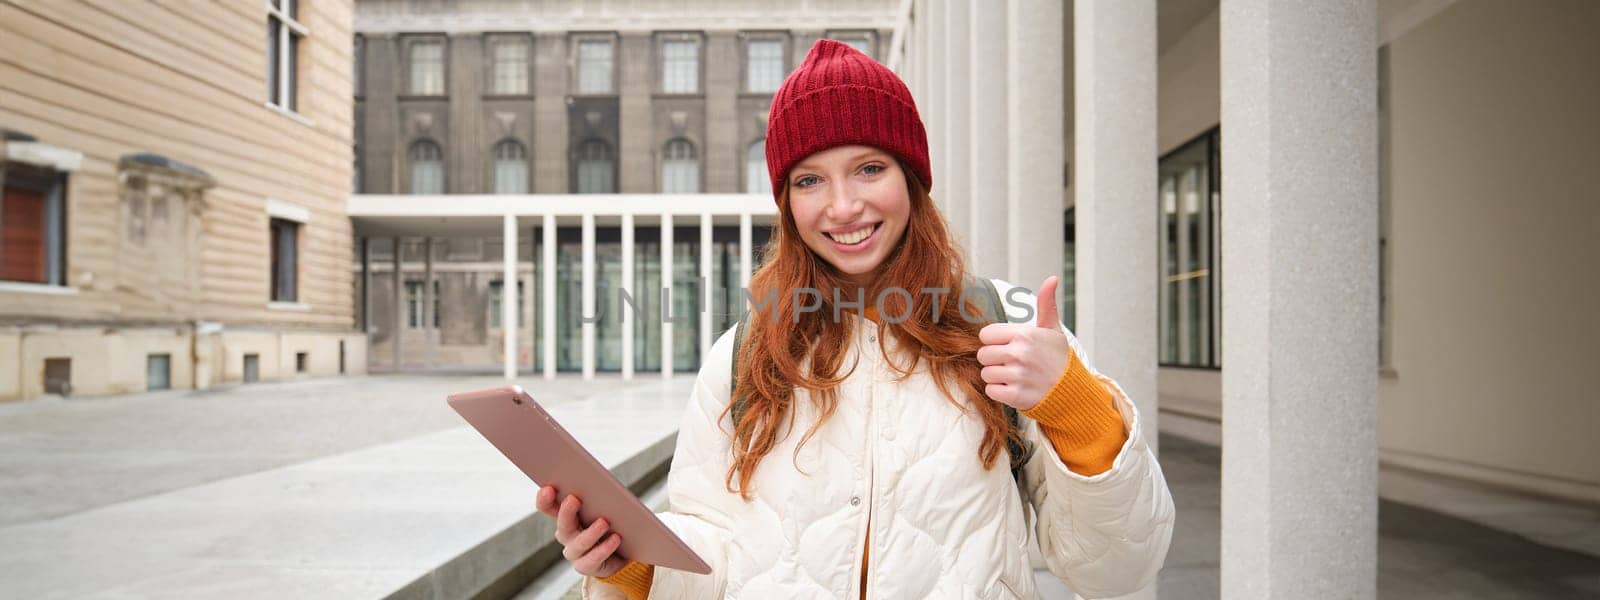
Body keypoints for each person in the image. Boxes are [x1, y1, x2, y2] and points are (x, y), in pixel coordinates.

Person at [535, 39, 1174, 599]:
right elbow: (715, 559)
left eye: (870, 168)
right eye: (809, 180)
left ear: (912, 179)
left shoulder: (1005, 332)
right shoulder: (744, 353)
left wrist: (1076, 409)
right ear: (786, 203)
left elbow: (1118, 570)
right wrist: (631, 569)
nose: (842, 207)